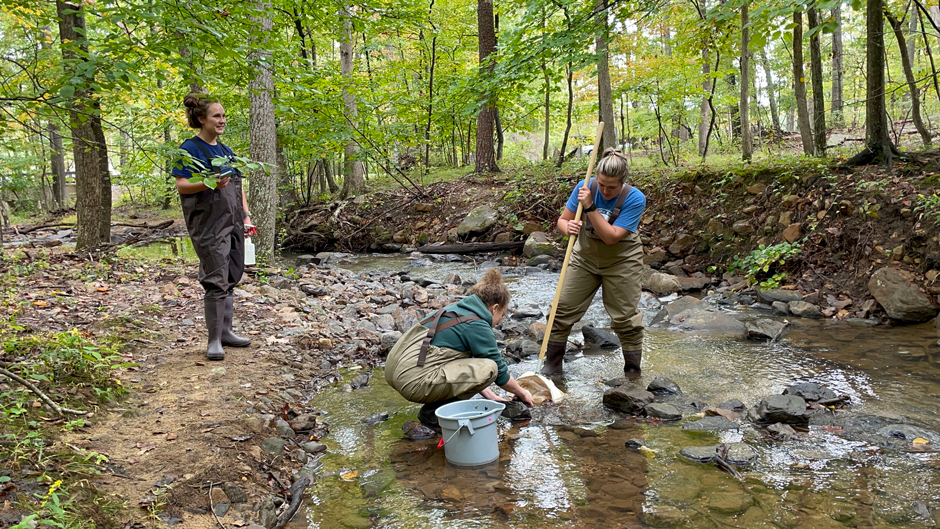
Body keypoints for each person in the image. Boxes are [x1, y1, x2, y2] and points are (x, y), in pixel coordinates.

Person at [541, 148, 647, 377]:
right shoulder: (585, 187)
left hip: (622, 261)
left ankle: (632, 372)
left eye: (612, 187)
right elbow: (562, 221)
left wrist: (590, 207)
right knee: (560, 310)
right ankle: (553, 365)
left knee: (626, 319)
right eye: (602, 184)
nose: (606, 191)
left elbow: (611, 237)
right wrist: (566, 227)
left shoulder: (635, 198)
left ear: (622, 183)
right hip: (584, 258)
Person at [385, 268, 535, 429]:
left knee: (479, 363)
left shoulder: (456, 310)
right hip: (412, 382)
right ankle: (434, 414)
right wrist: (522, 393)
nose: (499, 321)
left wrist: (490, 395)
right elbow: (498, 372)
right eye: (502, 314)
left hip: (394, 371)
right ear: (495, 308)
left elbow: (462, 362)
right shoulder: (477, 324)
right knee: (490, 368)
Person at [172, 94, 253, 361]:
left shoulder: (227, 151)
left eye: (223, 116)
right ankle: (214, 340)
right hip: (208, 224)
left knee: (232, 273)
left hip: (232, 222)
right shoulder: (190, 149)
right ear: (201, 119)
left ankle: (227, 332)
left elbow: (237, 187)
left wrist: (246, 217)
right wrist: (209, 183)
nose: (222, 121)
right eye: (217, 116)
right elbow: (182, 185)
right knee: (215, 278)